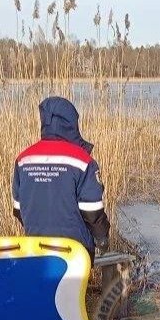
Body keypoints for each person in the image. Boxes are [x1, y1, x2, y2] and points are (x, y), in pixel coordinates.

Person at [12, 96, 110, 263]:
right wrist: (102, 238)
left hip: (35, 247)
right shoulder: (83, 161)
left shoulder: (23, 159)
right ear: (72, 122)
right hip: (75, 250)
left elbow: (18, 209)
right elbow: (92, 211)